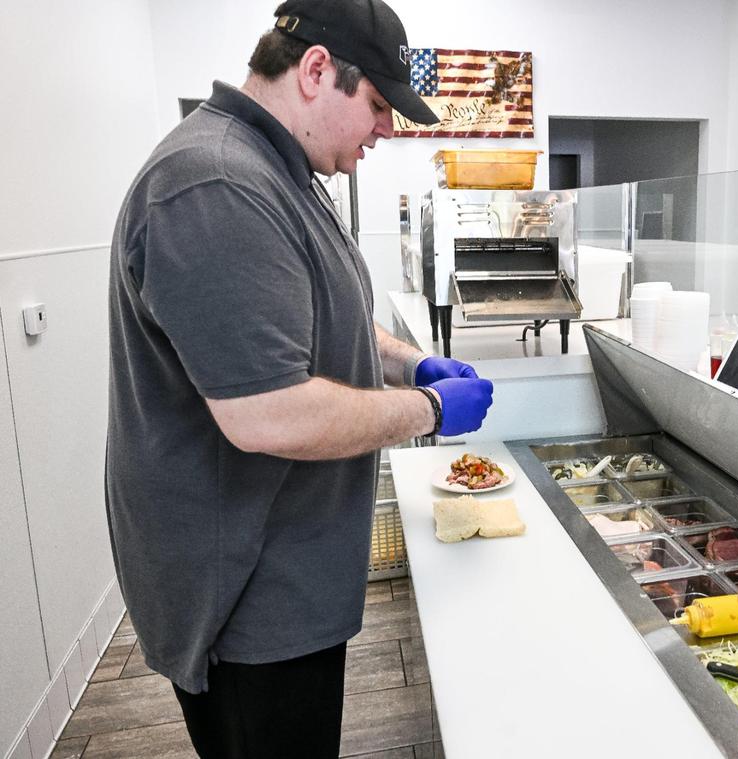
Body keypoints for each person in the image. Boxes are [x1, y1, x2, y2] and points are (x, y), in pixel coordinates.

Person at [104, 1, 490, 756]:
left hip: (286, 571)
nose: (386, 129)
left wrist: (410, 361)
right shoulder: (214, 182)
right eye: (377, 104)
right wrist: (429, 407)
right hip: (245, 599)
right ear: (316, 71)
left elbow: (322, 321)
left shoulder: (285, 170)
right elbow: (269, 413)